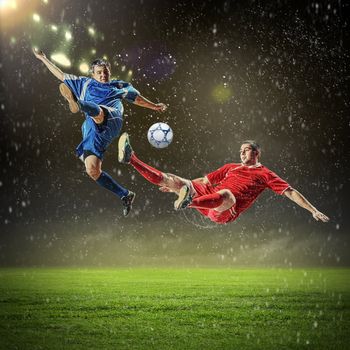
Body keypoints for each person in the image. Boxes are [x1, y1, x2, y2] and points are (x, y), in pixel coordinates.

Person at [33, 49, 167, 216]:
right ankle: (125, 195)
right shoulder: (84, 83)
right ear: (92, 74)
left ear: (110, 72)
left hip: (111, 117)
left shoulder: (118, 85)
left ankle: (78, 104)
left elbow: (137, 99)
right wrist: (43, 58)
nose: (103, 75)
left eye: (106, 72)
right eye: (99, 72)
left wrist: (155, 106)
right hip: (92, 130)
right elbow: (60, 75)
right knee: (92, 170)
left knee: (99, 112)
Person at [118, 133, 329, 224]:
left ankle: (188, 201)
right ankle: (132, 159)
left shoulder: (265, 174)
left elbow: (290, 192)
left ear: (257, 153)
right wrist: (181, 186)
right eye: (240, 150)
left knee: (227, 194)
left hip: (226, 210)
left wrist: (313, 210)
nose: (242, 153)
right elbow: (204, 181)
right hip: (209, 197)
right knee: (172, 179)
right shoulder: (230, 167)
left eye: (246, 150)